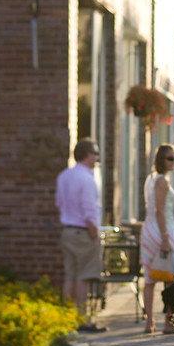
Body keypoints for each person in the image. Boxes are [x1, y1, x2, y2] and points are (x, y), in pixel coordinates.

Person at [55, 137, 106, 333]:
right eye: (95, 153)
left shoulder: (64, 175)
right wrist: (95, 235)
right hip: (83, 232)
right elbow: (89, 212)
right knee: (83, 277)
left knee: (70, 276)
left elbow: (59, 203)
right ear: (87, 155)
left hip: (67, 231)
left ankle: (65, 319)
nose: (97, 158)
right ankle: (81, 320)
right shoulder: (87, 179)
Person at [140, 143, 174, 334]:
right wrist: (165, 237)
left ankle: (150, 322)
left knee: (150, 278)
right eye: (170, 158)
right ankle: (167, 321)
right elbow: (159, 210)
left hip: (149, 230)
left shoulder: (151, 179)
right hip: (161, 230)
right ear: (161, 160)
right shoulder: (161, 181)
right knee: (171, 277)